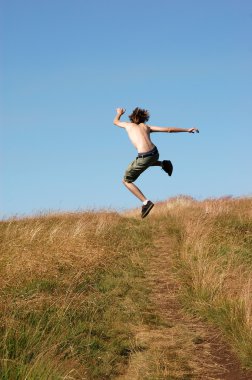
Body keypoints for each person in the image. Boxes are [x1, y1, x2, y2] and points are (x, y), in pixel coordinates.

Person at [113, 107, 199, 218]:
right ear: (144, 119)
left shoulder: (128, 125)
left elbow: (115, 122)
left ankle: (145, 202)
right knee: (143, 162)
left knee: (126, 181)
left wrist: (119, 113)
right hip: (155, 153)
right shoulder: (147, 127)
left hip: (144, 156)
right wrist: (187, 129)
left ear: (132, 118)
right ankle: (163, 164)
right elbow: (168, 129)